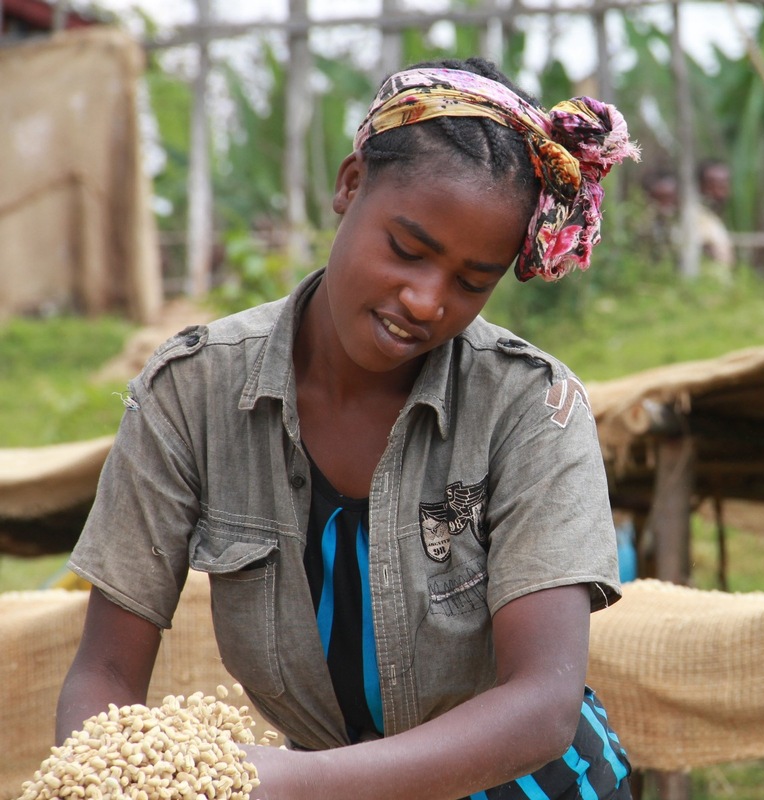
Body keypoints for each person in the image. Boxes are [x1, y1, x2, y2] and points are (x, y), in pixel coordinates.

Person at [56, 57, 640, 800]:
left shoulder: (531, 407)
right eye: (408, 249)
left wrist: (290, 784)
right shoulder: (192, 392)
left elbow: (541, 707)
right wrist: (102, 776)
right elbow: (104, 671)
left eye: (471, 282)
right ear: (350, 184)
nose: (427, 300)